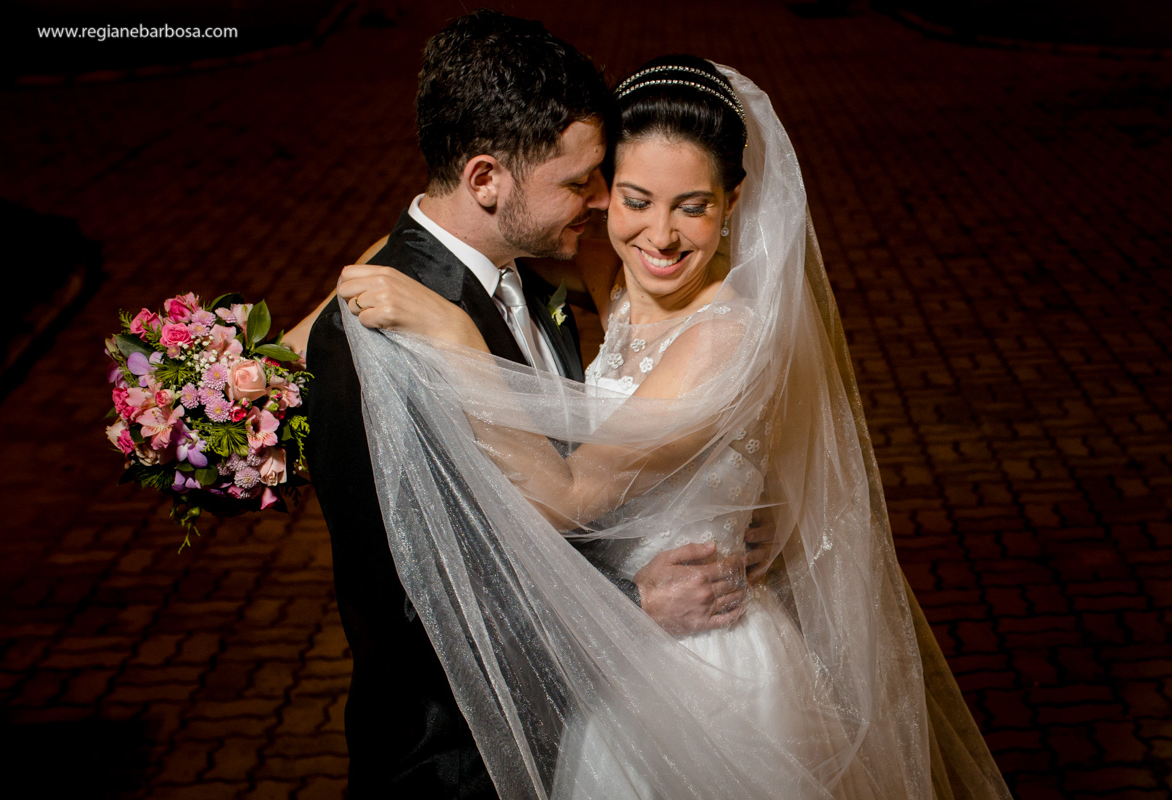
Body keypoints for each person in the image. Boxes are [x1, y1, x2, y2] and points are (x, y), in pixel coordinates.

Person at [337, 56, 1013, 798]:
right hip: (615, 659)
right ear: (602, 196)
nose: (660, 236)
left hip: (704, 664)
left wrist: (455, 339)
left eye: (692, 206)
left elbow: (563, 497)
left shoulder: (725, 336)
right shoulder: (614, 276)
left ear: (733, 204)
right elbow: (440, 241)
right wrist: (267, 352)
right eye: (635, 199)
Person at [294, 14, 768, 798]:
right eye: (585, 182)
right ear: (486, 180)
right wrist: (630, 603)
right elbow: (424, 594)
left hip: (590, 713)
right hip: (458, 759)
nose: (600, 204)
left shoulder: (537, 269)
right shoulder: (388, 340)